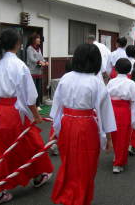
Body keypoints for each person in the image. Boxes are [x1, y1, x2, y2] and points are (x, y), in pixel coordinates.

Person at [0, 29, 53, 205]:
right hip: (15, 113)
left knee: (4, 149)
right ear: (18, 44)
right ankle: (1, 191)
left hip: (1, 111)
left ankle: (4, 188)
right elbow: (30, 96)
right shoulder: (19, 65)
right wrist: (37, 116)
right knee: (29, 144)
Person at [50, 44, 116, 205]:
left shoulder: (65, 77)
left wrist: (56, 129)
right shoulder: (96, 82)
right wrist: (109, 138)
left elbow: (56, 108)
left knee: (69, 162)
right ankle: (80, 198)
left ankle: (67, 195)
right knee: (86, 166)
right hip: (86, 126)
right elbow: (106, 113)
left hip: (66, 123)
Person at [107, 58, 135, 173]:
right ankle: (118, 163)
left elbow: (106, 98)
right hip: (123, 111)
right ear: (129, 70)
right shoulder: (131, 84)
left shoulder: (111, 82)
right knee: (123, 137)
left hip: (111, 109)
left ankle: (117, 156)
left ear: (116, 69)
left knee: (114, 135)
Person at [26, 33, 48, 110]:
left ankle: (38, 104)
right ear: (34, 40)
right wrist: (39, 62)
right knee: (33, 89)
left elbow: (41, 58)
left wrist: (45, 61)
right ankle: (33, 105)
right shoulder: (29, 48)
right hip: (32, 72)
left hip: (39, 72)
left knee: (39, 89)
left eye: (39, 38)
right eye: (38, 38)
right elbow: (31, 59)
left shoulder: (39, 49)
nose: (39, 40)